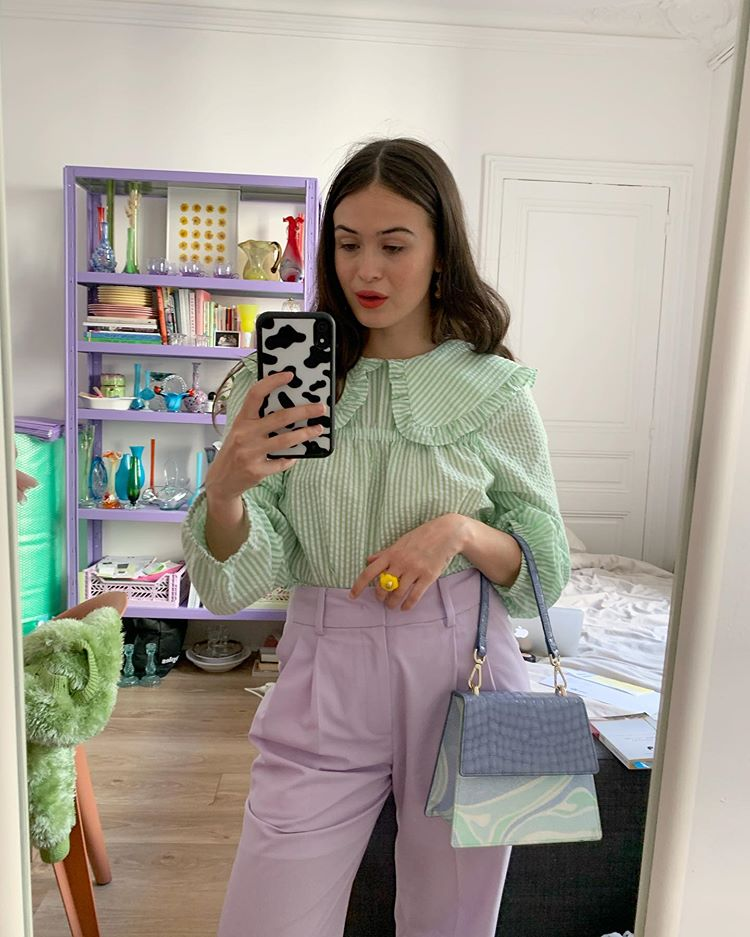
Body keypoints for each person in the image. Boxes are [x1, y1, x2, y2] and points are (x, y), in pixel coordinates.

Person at [182, 137, 570, 937]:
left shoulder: (495, 389)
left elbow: (545, 571)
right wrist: (223, 492)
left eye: (394, 246)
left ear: (439, 253)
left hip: (470, 667)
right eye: (348, 243)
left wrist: (459, 531)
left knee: (454, 923)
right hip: (325, 661)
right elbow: (232, 582)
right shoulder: (284, 384)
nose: (367, 270)